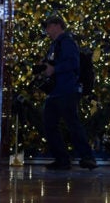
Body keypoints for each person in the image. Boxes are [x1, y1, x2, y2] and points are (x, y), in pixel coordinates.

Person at [38, 16, 96, 170]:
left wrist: (54, 69)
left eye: (49, 26)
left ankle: (87, 157)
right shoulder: (55, 45)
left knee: (72, 123)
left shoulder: (67, 42)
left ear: (58, 26)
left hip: (67, 89)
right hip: (56, 91)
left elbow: (73, 63)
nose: (47, 30)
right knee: (50, 124)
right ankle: (62, 159)